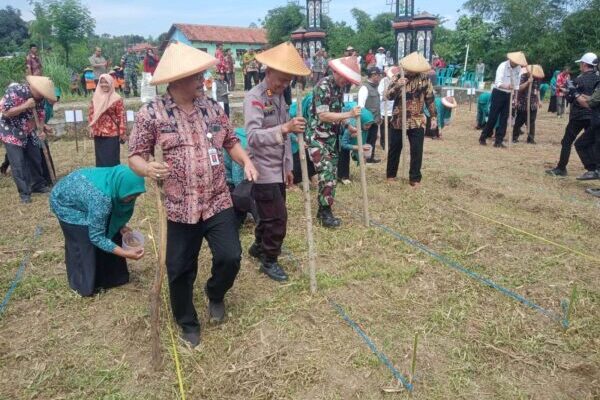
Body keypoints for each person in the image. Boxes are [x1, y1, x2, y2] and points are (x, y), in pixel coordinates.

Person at [128, 42, 258, 347]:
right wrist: (147, 169)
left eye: (202, 75)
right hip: (178, 207)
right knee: (179, 269)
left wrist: (247, 160)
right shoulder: (152, 113)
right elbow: (135, 155)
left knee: (231, 257)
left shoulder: (212, 108)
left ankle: (215, 294)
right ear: (176, 80)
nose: (203, 80)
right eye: (196, 76)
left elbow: (230, 143)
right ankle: (187, 321)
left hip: (217, 201)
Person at [244, 42, 310, 282]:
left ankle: (258, 246)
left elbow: (285, 137)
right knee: (278, 219)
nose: (284, 85)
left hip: (278, 169)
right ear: (267, 71)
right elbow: (252, 137)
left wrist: (288, 167)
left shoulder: (279, 96)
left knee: (269, 215)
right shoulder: (255, 98)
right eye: (281, 79)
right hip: (262, 170)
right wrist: (284, 127)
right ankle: (269, 260)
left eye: (288, 81)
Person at [49, 165, 145, 297]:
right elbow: (96, 237)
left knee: (108, 227)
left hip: (84, 195)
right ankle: (82, 284)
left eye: (136, 195)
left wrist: (120, 225)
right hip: (65, 203)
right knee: (84, 240)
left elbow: (115, 214)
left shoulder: (117, 182)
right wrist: (124, 252)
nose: (132, 199)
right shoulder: (101, 200)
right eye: (129, 196)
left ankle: (112, 277)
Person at [305, 55, 361, 227]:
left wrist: (347, 125)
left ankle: (324, 209)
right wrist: (349, 115)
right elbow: (323, 115)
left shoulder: (339, 88)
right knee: (327, 173)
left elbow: (336, 111)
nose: (347, 82)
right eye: (345, 78)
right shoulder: (323, 86)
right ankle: (325, 212)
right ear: (337, 72)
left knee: (329, 174)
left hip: (330, 138)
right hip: (317, 138)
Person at [0, 76, 55, 203]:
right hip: (10, 131)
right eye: (41, 93)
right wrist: (25, 105)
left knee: (35, 157)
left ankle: (38, 185)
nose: (42, 96)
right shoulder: (16, 90)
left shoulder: (40, 99)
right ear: (34, 88)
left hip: (27, 130)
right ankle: (24, 193)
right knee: (18, 162)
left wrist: (40, 129)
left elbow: (40, 117)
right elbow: (6, 112)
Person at [385, 52, 437, 187]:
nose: (412, 72)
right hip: (398, 120)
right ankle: (391, 175)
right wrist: (398, 86)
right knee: (395, 148)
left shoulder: (425, 79)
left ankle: (415, 179)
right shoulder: (397, 77)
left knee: (417, 150)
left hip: (417, 120)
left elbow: (430, 99)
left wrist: (433, 117)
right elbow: (387, 96)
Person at [546, 53, 600, 178]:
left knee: (567, 141)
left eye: (581, 63)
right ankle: (594, 169)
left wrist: (568, 92)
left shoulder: (578, 80)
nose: (580, 66)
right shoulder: (598, 79)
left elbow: (572, 98)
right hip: (593, 116)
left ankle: (561, 168)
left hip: (579, 115)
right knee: (592, 143)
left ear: (585, 65)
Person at [479, 51, 527, 148]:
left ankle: (499, 140)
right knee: (493, 117)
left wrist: (515, 96)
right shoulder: (502, 66)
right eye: (515, 62)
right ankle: (483, 137)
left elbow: (516, 85)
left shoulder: (518, 68)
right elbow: (498, 82)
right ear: (511, 60)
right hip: (498, 93)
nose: (517, 64)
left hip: (509, 95)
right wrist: (507, 86)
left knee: (504, 118)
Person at [88, 74, 126, 167]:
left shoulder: (116, 98)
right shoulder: (96, 97)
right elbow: (91, 113)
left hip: (111, 133)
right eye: (102, 82)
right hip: (98, 133)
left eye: (106, 82)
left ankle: (113, 179)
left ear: (111, 83)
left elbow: (121, 116)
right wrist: (91, 127)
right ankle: (102, 178)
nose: (104, 85)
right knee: (100, 159)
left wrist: (122, 132)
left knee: (111, 159)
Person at [512, 65, 544, 144]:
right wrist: (528, 82)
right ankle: (514, 137)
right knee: (519, 121)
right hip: (523, 103)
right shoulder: (523, 76)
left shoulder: (537, 79)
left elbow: (538, 90)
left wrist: (539, 100)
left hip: (533, 103)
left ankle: (530, 139)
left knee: (532, 122)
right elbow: (519, 88)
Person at [357, 66, 382, 163]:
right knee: (366, 140)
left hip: (375, 119)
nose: (379, 77)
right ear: (373, 75)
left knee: (372, 139)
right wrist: (364, 120)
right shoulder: (364, 88)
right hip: (367, 120)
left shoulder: (376, 87)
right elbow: (361, 106)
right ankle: (364, 159)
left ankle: (370, 157)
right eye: (378, 75)